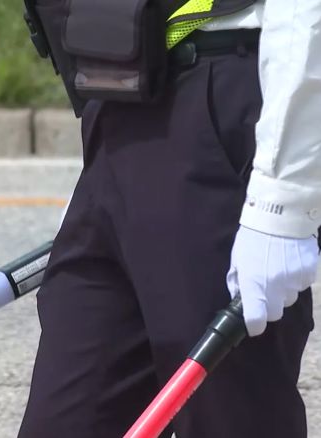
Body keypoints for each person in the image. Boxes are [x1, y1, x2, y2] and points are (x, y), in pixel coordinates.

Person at [18, 0, 321, 437]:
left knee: (228, 416)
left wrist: (283, 203)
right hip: (119, 102)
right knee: (65, 417)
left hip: (219, 100)